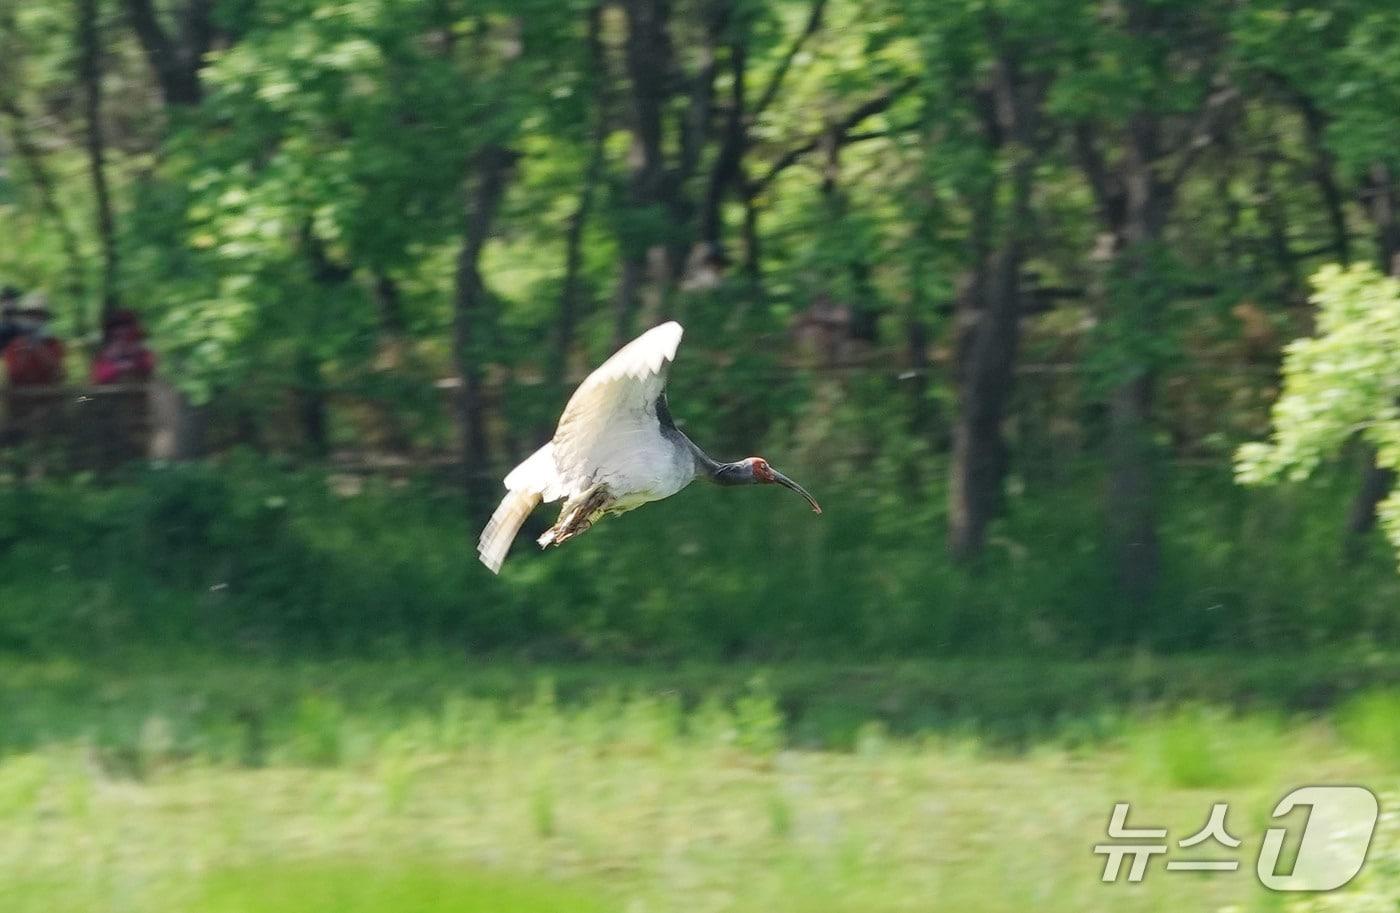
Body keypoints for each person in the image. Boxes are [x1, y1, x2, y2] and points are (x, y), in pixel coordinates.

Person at [3, 294, 66, 386]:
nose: (34, 319)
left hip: (49, 396)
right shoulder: (14, 345)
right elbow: (13, 375)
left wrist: (39, 348)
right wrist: (25, 348)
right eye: (30, 315)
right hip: (21, 397)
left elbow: (58, 373)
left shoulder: (53, 344)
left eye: (39, 315)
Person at [91, 308, 156, 384]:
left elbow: (149, 365)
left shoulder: (141, 350)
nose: (122, 332)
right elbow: (100, 375)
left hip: (141, 387)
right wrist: (118, 367)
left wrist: (134, 362)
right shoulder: (105, 353)